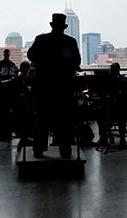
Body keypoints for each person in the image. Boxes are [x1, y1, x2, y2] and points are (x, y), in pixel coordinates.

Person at [27, 13, 81, 159]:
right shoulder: (70, 41)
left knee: (41, 118)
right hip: (63, 86)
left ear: (52, 25)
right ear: (64, 26)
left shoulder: (41, 39)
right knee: (64, 119)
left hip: (43, 84)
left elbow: (31, 56)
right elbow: (77, 61)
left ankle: (39, 148)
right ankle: (65, 149)